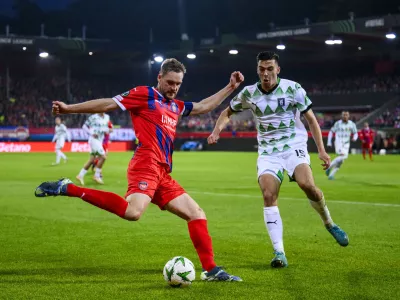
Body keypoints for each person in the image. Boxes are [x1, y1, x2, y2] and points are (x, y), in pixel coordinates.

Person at [34, 58, 244, 282]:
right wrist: (68, 110)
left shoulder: (175, 105)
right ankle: (69, 188)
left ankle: (211, 270)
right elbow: (108, 104)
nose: (174, 88)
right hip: (145, 163)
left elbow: (204, 106)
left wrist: (231, 87)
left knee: (196, 214)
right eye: (170, 82)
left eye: (178, 84)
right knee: (133, 212)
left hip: (162, 172)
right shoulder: (144, 94)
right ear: (159, 77)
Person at [207, 51, 348, 268]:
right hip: (268, 152)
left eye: (270, 68)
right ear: (257, 70)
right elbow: (227, 112)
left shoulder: (293, 88)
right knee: (268, 194)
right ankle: (279, 252)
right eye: (262, 69)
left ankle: (329, 223)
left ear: (278, 69)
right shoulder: (249, 93)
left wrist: (321, 150)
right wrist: (217, 131)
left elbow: (311, 120)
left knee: (308, 185)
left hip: (294, 146)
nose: (266, 73)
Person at [76, 113, 111, 185]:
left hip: (100, 140)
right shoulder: (93, 117)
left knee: (91, 160)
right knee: (103, 157)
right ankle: (97, 176)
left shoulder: (107, 117)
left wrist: (108, 130)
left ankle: (80, 175)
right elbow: (84, 126)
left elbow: (105, 128)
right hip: (94, 140)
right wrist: (91, 133)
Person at [326, 111, 358, 179]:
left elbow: (355, 133)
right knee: (344, 156)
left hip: (346, 144)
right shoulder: (338, 123)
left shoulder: (351, 124)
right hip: (339, 142)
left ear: (348, 116)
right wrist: (329, 142)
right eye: (344, 115)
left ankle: (331, 175)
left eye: (346, 115)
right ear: (341, 116)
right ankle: (329, 167)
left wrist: (355, 138)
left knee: (341, 161)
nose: (345, 116)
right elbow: (331, 132)